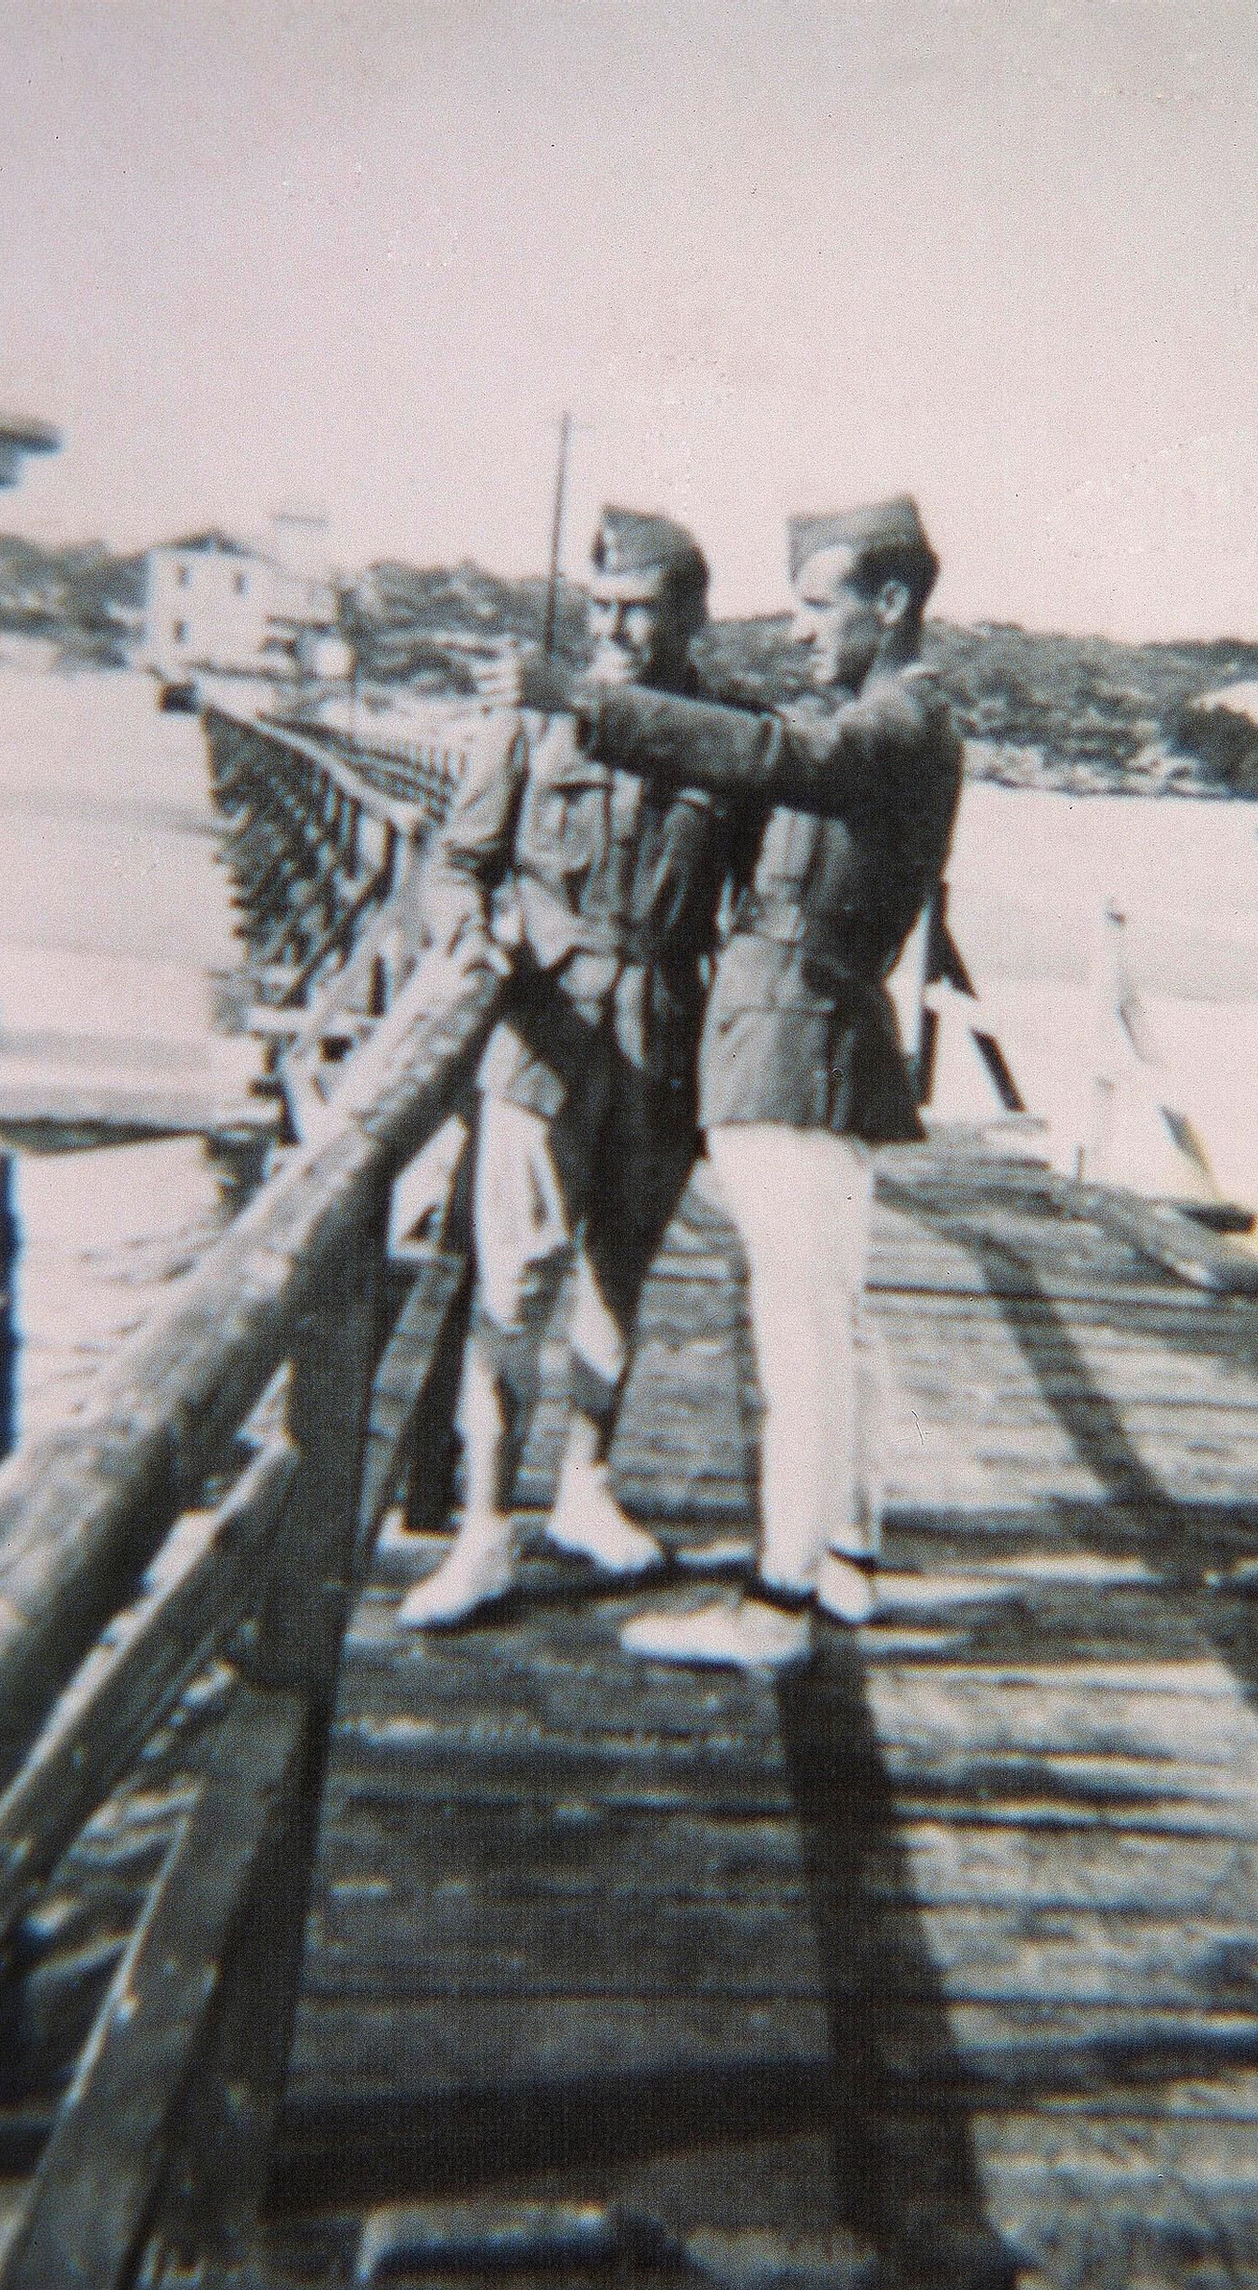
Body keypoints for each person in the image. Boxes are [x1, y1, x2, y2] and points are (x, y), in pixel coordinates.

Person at [485, 494, 962, 1669]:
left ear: (889, 603)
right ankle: (843, 1558)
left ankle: (777, 1601)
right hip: (794, 1041)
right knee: (832, 1324)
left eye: (817, 605)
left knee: (796, 1330)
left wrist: (583, 703)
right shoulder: (874, 716)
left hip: (793, 1049)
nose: (799, 630)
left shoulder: (898, 721)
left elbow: (772, 755)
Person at [398, 507, 736, 1628]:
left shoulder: (725, 731)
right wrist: (466, 930)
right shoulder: (528, 722)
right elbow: (458, 865)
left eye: (637, 610)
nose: (612, 630)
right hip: (544, 1040)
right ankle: (485, 1531)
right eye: (598, 609)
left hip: (662, 1040)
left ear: (691, 613)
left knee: (616, 1277)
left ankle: (585, 1489)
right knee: (513, 1285)